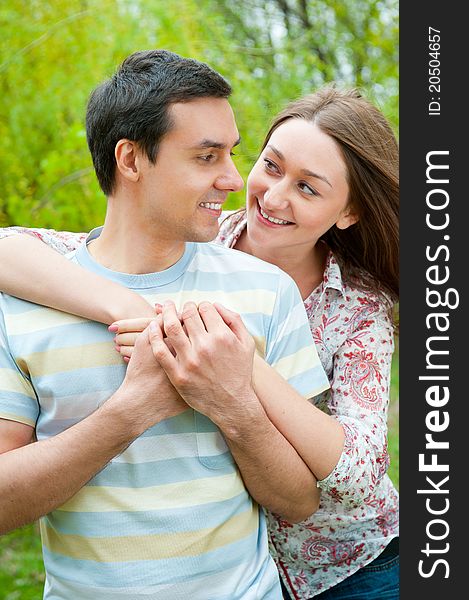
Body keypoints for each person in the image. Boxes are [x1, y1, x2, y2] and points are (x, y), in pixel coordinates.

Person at [0, 85, 399, 599]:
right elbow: (14, 249)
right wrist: (132, 309)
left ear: (348, 212)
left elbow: (358, 475)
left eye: (309, 189)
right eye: (272, 167)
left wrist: (234, 361)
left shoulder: (359, 308)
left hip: (345, 568)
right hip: (243, 565)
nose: (273, 197)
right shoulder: (195, 231)